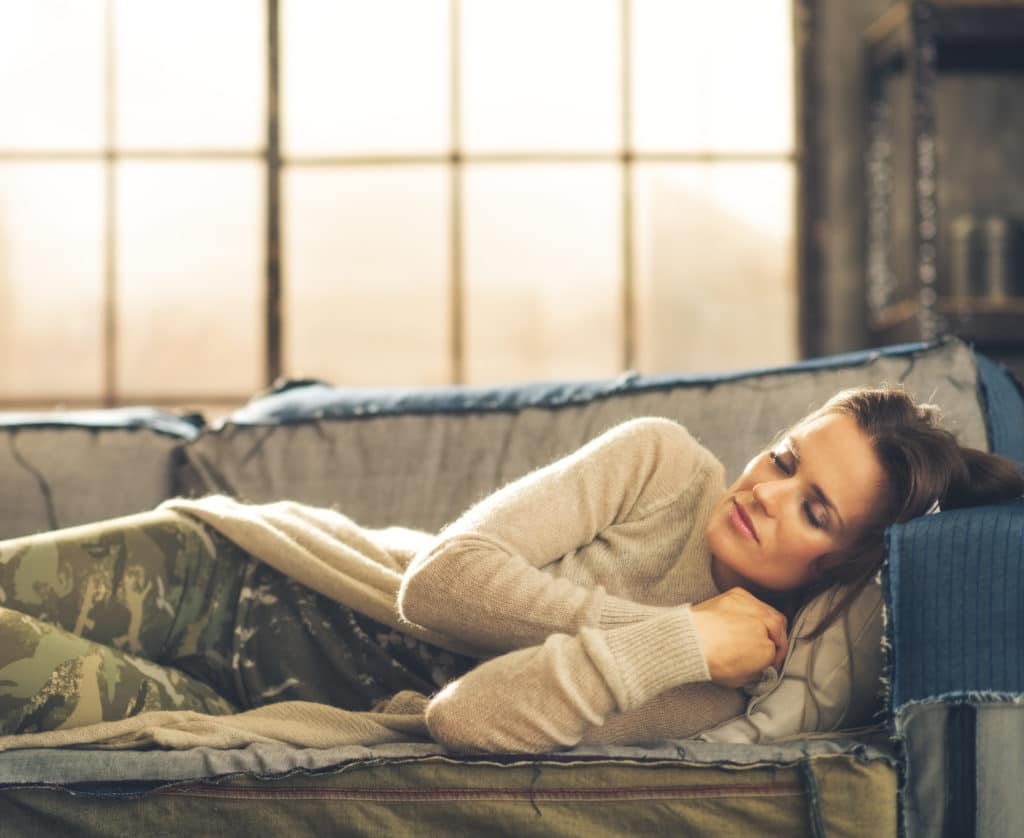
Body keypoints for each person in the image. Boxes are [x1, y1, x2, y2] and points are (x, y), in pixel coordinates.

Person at [0, 386, 1019, 753]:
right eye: (784, 457)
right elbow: (437, 582)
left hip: (228, 704)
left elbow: (462, 718)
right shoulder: (665, 465)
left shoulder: (716, 676)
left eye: (812, 506)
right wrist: (645, 626)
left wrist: (676, 644)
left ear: (845, 564)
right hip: (228, 569)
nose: (765, 489)